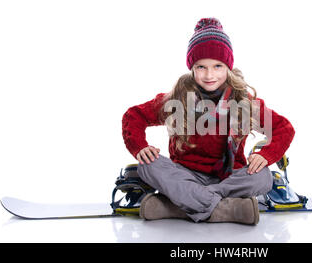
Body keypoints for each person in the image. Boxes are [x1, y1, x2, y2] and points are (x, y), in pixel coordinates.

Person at [122, 17, 295, 225]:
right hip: (185, 175)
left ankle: (178, 206)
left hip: (228, 178)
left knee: (263, 177)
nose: (209, 75)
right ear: (192, 68)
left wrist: (266, 154)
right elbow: (134, 115)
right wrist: (140, 146)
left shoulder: (243, 101)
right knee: (147, 166)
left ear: (228, 67)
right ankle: (225, 209)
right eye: (201, 67)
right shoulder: (177, 98)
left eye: (218, 66)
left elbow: (283, 128)